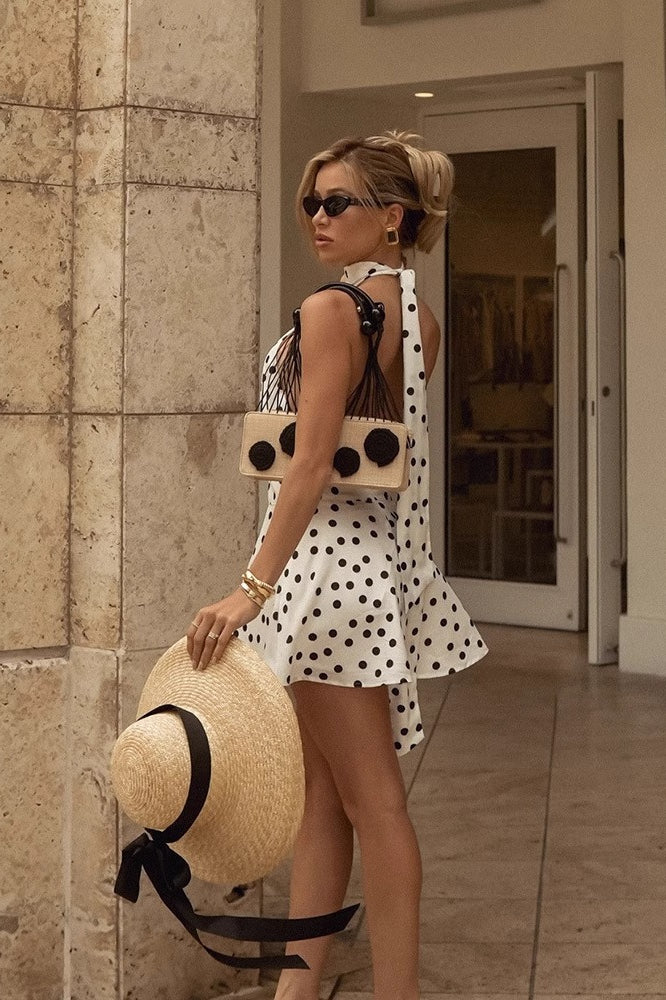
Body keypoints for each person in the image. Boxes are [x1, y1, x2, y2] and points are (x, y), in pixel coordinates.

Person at [187, 131, 488, 1000]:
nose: (317, 218)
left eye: (337, 203)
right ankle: (298, 990)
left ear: (392, 217)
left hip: (322, 572)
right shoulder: (416, 316)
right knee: (326, 797)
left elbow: (314, 463)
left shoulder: (331, 310)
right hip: (368, 567)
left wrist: (251, 589)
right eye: (311, 203)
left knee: (374, 801)